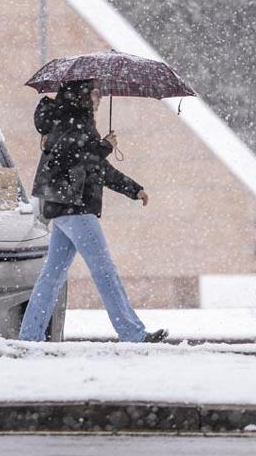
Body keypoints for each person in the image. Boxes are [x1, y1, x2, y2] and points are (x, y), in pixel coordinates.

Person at [20, 78, 168, 343]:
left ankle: (30, 335)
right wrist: (105, 146)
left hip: (65, 206)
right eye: (96, 93)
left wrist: (133, 189)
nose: (99, 98)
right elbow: (73, 156)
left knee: (52, 276)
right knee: (104, 270)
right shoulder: (69, 120)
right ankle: (133, 333)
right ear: (82, 95)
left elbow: (96, 169)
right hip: (74, 207)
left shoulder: (75, 122)